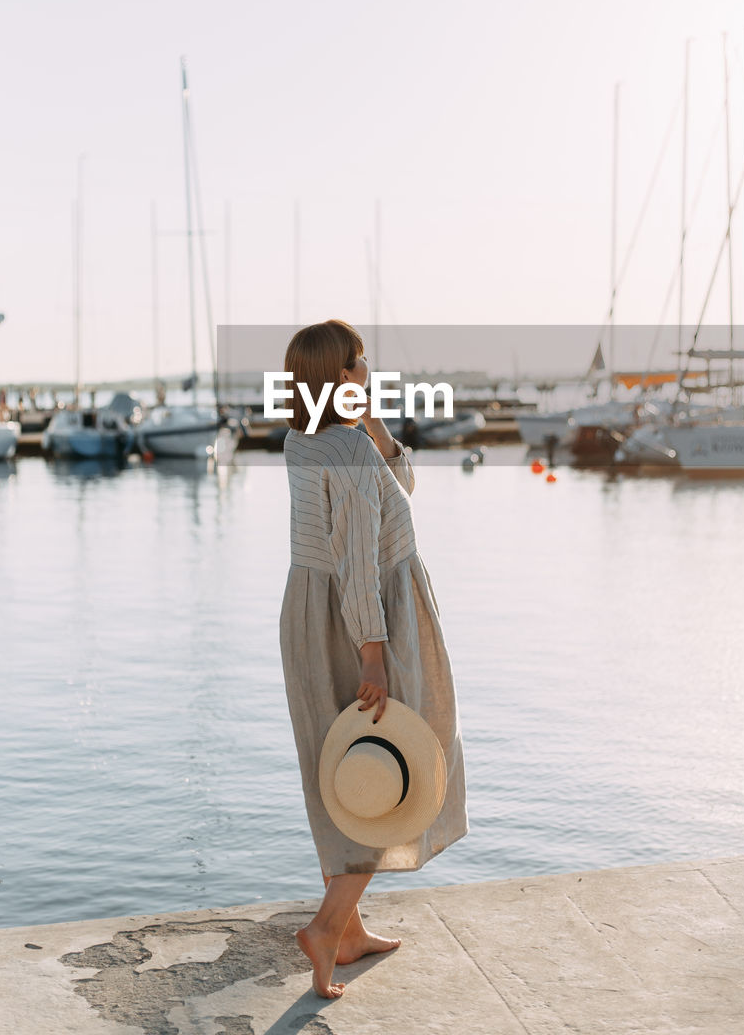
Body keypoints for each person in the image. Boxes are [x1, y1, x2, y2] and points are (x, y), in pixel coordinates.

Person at [279, 319, 467, 999]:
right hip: (363, 615)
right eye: (360, 361)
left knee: (345, 771)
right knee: (405, 762)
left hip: (308, 615)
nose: (369, 366)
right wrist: (373, 655)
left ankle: (349, 928)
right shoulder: (346, 454)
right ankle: (327, 927)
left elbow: (402, 482)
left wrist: (373, 423)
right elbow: (358, 565)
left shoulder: (304, 442)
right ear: (339, 374)